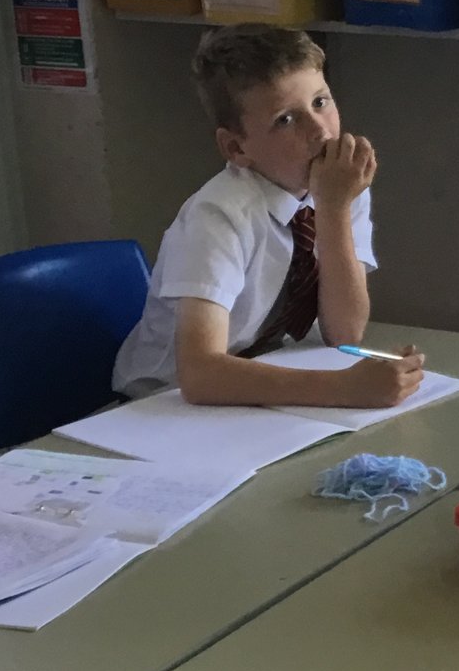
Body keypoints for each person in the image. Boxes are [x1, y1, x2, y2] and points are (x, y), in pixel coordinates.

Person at [112, 24, 422, 406]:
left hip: (261, 386)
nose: (320, 131)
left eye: (320, 102)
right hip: (162, 405)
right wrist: (344, 389)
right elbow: (199, 373)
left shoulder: (338, 188)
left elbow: (344, 333)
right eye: (285, 120)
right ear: (235, 148)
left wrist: (334, 210)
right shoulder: (218, 215)